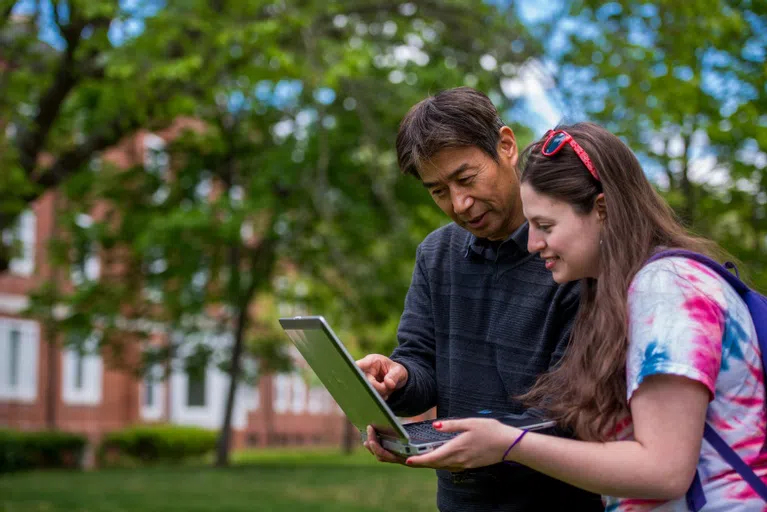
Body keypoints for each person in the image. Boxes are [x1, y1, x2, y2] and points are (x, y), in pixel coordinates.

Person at [405, 122, 767, 510]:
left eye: (545, 225)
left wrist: (510, 444)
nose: (532, 243)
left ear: (602, 209)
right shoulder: (622, 290)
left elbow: (664, 470)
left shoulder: (666, 289)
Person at [355, 87, 603, 510]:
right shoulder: (436, 255)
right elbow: (421, 366)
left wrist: (497, 441)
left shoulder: (572, 256)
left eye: (466, 179)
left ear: (506, 146)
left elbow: (573, 412)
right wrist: (395, 377)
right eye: (438, 191)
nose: (459, 203)